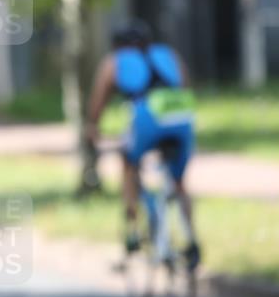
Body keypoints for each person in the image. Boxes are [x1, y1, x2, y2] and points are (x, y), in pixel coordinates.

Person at [84, 20, 201, 270]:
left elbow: (98, 100)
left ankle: (133, 232)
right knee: (180, 183)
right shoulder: (168, 53)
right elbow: (185, 84)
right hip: (182, 114)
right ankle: (191, 240)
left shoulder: (114, 61)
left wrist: (92, 128)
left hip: (147, 117)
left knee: (128, 162)